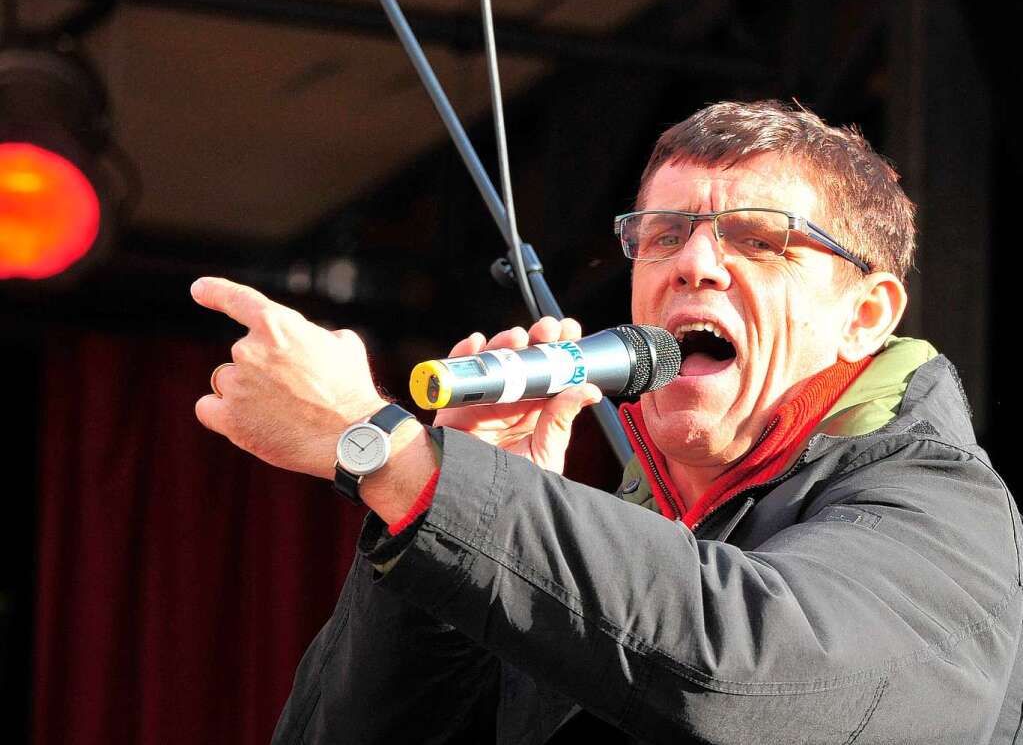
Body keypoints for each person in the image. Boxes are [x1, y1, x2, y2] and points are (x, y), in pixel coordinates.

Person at [191, 101, 1022, 744]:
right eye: (662, 236)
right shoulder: (608, 543)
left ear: (864, 315)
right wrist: (457, 530)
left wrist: (396, 457)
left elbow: (755, 665)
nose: (692, 263)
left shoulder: (939, 508)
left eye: (758, 241)